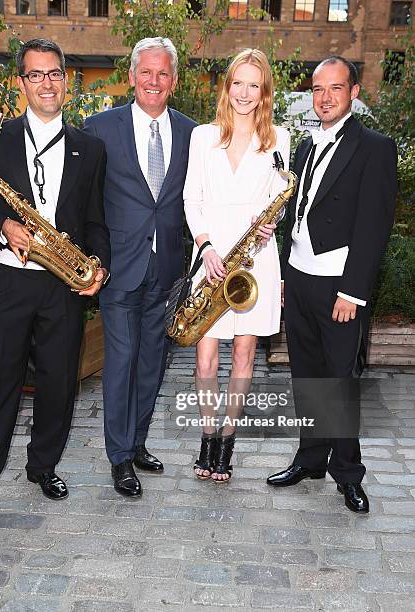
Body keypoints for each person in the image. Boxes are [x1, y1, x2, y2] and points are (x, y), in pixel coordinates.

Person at [0, 39, 110, 525]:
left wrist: (99, 267)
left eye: (54, 73)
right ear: (22, 83)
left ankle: (43, 466)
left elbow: (97, 221)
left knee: (59, 388)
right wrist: (3, 227)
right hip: (10, 282)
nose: (47, 83)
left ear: (66, 80)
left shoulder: (90, 148)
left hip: (61, 286)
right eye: (35, 75)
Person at [267, 56, 398, 513]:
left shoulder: (375, 147)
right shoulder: (304, 146)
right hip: (301, 278)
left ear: (354, 93)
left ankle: (349, 474)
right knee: (307, 377)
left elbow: (374, 225)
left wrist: (354, 291)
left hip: (339, 286)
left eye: (335, 88)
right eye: (318, 89)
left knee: (340, 382)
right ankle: (309, 460)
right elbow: (298, 215)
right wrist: (285, 274)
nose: (324, 97)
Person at [84, 37, 197, 497]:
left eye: (163, 73)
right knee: (123, 360)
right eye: (145, 72)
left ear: (174, 80)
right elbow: (83, 197)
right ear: (131, 76)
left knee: (153, 362)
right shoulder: (99, 127)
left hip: (168, 267)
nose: (154, 81)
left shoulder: (194, 133)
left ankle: (138, 442)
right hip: (118, 268)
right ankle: (119, 457)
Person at [183, 48, 290, 482]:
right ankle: (207, 437)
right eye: (237, 83)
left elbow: (280, 200)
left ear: (264, 92)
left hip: (255, 259)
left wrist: (270, 222)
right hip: (210, 255)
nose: (244, 93)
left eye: (254, 85)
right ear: (227, 87)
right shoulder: (203, 136)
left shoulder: (277, 138)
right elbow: (192, 197)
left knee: (244, 354)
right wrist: (205, 246)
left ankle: (226, 444)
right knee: (205, 359)